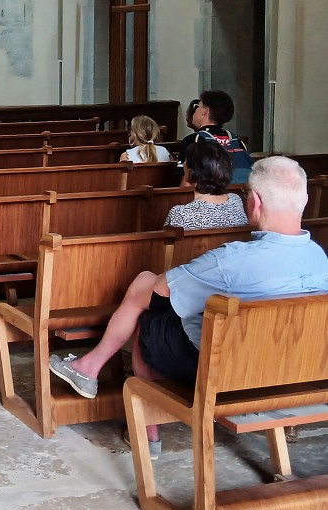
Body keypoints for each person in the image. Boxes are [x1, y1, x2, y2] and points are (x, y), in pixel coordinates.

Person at [49, 156, 327, 457]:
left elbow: (158, 290)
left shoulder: (231, 259)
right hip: (293, 376)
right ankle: (92, 370)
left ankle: (140, 424)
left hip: (224, 375)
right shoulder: (320, 259)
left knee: (149, 312)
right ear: (304, 200)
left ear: (256, 202)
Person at [163, 138, 247, 230]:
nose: (184, 165)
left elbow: (168, 243)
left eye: (186, 161)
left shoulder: (179, 214)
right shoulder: (236, 201)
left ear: (192, 171)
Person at [175, 90, 255, 182]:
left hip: (209, 193)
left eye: (197, 107)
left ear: (205, 112)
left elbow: (186, 184)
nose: (195, 111)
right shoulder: (237, 140)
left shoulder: (194, 140)